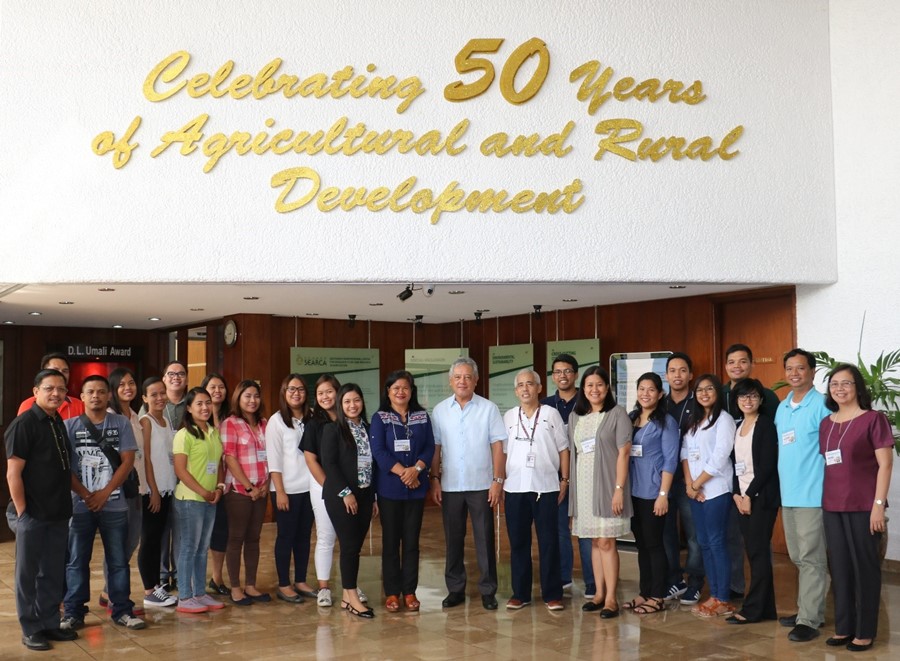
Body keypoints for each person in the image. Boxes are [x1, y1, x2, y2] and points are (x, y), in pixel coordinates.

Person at [62, 375, 145, 631]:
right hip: (79, 505)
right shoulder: (69, 426)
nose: (96, 396)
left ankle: (122, 610)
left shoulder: (120, 423)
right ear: (82, 397)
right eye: (90, 392)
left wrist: (105, 492)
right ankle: (74, 612)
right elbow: (65, 467)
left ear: (108, 395)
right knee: (76, 561)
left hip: (115, 504)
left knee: (118, 561)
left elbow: (127, 461)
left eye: (101, 391)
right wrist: (88, 495)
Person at [820, 363, 893, 652]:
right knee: (839, 568)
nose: (839, 388)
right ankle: (844, 627)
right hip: (832, 505)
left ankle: (864, 631)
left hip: (864, 505)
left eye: (846, 383)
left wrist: (878, 506)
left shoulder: (873, 419)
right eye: (834, 384)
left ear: (857, 388)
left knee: (865, 568)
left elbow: (886, 464)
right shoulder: (827, 423)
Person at [5, 369, 78, 651]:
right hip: (33, 514)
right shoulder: (24, 424)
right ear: (36, 391)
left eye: (61, 389)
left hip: (58, 512)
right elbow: (13, 474)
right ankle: (31, 627)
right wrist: (23, 513)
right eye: (49, 388)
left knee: (51, 570)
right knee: (27, 574)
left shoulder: (57, 420)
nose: (56, 394)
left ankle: (48, 621)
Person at [430, 357, 507, 611]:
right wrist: (435, 479)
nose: (462, 381)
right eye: (458, 377)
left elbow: (498, 446)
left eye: (467, 377)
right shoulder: (440, 410)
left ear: (476, 380)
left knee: (484, 538)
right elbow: (436, 449)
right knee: (453, 539)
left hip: (481, 485)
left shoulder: (489, 408)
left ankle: (487, 590)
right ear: (450, 381)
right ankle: (455, 589)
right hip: (451, 485)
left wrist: (497, 480)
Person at [774, 348, 830, 642]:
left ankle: (809, 618)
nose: (794, 374)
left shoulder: (822, 405)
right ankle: (806, 609)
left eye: (800, 368)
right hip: (789, 495)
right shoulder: (783, 407)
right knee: (797, 556)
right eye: (789, 369)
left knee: (811, 558)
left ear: (812, 371)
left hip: (813, 494)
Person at [502, 369, 569, 611]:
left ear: (539, 388)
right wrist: (498, 480)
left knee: (549, 541)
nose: (525, 389)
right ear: (515, 391)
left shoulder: (551, 414)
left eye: (530, 384)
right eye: (520, 385)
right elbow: (503, 453)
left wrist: (565, 480)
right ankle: (521, 593)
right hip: (515, 488)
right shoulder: (509, 417)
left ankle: (552, 593)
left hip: (547, 487)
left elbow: (563, 449)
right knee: (518, 542)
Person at [369, 370, 435, 612]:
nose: (400, 392)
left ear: (411, 391)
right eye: (395, 388)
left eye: (405, 388)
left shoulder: (421, 416)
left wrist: (416, 469)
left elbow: (429, 447)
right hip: (390, 490)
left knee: (411, 543)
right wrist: (404, 473)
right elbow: (379, 452)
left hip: (416, 489)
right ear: (388, 392)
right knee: (390, 543)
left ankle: (410, 591)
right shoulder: (380, 417)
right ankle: (392, 593)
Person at [569, 366, 632, 619]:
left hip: (608, 486)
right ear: (583, 389)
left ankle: (611, 598)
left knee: (607, 541)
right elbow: (575, 455)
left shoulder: (618, 414)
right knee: (594, 541)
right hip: (583, 486)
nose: (594, 390)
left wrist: (618, 489)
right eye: (589, 385)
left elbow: (624, 454)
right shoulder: (576, 416)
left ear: (607, 388)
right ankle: (597, 594)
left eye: (599, 385)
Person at [541, 353, 596, 599]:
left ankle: (593, 582)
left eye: (567, 371)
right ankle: (563, 577)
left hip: (585, 474)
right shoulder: (544, 405)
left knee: (585, 530)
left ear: (575, 374)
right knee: (560, 529)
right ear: (553, 376)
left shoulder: (587, 402)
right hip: (554, 476)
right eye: (557, 372)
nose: (562, 376)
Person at [682, 374, 737, 618]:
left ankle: (723, 598)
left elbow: (720, 456)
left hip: (715, 490)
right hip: (696, 492)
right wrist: (689, 485)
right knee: (703, 542)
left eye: (709, 389)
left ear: (717, 392)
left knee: (716, 542)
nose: (704, 393)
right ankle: (713, 594)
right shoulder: (694, 420)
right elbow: (684, 453)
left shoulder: (723, 420)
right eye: (700, 390)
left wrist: (698, 484)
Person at [320, 383, 377, 618]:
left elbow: (373, 465)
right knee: (350, 546)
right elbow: (330, 465)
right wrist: (346, 493)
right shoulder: (332, 430)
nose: (352, 405)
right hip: (341, 497)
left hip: (365, 496)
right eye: (347, 402)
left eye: (356, 400)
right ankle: (352, 596)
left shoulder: (369, 428)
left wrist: (372, 497)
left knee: (354, 548)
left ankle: (346, 597)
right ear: (340, 405)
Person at [726, 378, 779, 624]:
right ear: (736, 401)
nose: (748, 400)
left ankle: (754, 609)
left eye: (753, 396)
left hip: (761, 498)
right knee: (753, 553)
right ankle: (766, 609)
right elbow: (737, 466)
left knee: (758, 554)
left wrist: (749, 495)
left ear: (760, 400)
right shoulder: (738, 427)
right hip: (743, 498)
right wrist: (737, 494)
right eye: (743, 396)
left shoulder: (765, 425)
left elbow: (767, 466)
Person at [626, 372, 680, 615]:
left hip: (653, 493)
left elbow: (670, 460)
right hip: (634, 493)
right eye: (641, 389)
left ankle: (658, 596)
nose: (645, 393)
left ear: (660, 394)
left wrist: (663, 494)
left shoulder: (665, 422)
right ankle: (644, 592)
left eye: (651, 389)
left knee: (655, 545)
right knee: (642, 545)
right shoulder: (632, 418)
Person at [172, 387, 227, 613]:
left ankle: (200, 593)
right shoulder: (184, 434)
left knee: (202, 548)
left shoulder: (214, 432)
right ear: (189, 408)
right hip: (190, 499)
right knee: (189, 548)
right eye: (199, 404)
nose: (205, 408)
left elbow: (219, 463)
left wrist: (220, 488)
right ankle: (185, 596)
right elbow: (180, 470)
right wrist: (204, 492)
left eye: (208, 403)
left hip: (210, 499)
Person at [265, 374, 317, 603]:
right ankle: (284, 584)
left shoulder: (313, 418)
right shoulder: (276, 421)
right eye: (291, 389)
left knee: (304, 537)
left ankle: (301, 580)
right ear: (284, 393)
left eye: (301, 389)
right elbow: (273, 460)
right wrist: (280, 491)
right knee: (286, 537)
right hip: (286, 490)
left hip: (311, 488)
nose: (296, 393)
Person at [222, 379, 270, 605]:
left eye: (256, 396)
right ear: (238, 399)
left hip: (261, 490)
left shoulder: (264, 423)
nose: (252, 400)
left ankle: (250, 585)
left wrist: (262, 487)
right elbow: (229, 457)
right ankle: (235, 587)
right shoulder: (230, 423)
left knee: (254, 538)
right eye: (247, 396)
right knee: (236, 538)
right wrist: (249, 487)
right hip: (239, 491)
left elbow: (271, 456)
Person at [300, 374, 347, 607]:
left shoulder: (349, 419)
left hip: (350, 487)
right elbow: (311, 460)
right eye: (320, 393)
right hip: (323, 487)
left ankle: (351, 586)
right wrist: (332, 488)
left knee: (349, 539)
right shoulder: (313, 424)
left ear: (338, 392)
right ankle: (324, 588)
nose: (325, 397)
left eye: (329, 391)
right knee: (326, 536)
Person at [661, 352, 704, 606]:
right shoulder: (659, 403)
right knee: (666, 533)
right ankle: (674, 580)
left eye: (682, 370)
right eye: (672, 370)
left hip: (691, 480)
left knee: (694, 534)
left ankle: (696, 582)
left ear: (690, 374)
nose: (677, 375)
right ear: (666, 375)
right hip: (664, 480)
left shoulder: (699, 402)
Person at [102, 367, 144, 612]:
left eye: (131, 383)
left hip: (135, 487)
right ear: (112, 391)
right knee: (118, 543)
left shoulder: (135, 416)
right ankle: (113, 594)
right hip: (117, 489)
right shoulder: (109, 416)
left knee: (131, 540)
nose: (128, 388)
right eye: (121, 385)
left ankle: (109, 590)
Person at [137, 377, 178, 608]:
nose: (160, 397)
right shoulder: (146, 421)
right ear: (144, 398)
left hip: (167, 489)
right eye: (154, 394)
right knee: (150, 539)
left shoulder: (167, 420)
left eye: (162, 393)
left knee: (157, 538)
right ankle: (149, 590)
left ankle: (155, 587)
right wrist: (152, 490)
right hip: (154, 491)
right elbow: (147, 460)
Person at [200, 372, 230, 596]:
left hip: (229, 483)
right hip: (204, 483)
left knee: (222, 531)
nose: (217, 391)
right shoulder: (198, 418)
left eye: (221, 387)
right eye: (212, 387)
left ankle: (217, 577)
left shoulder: (232, 417)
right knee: (200, 535)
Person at [17, 352, 85, 419]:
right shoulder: (27, 405)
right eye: (55, 370)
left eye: (65, 371)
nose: (60, 374)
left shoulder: (79, 405)